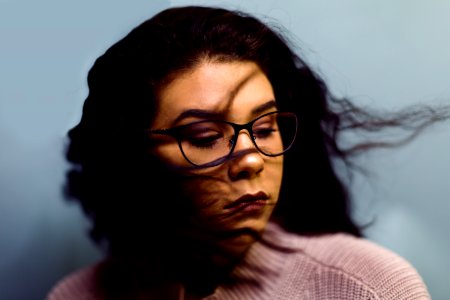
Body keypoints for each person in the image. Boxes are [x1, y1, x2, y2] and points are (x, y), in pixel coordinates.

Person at [47, 5, 447, 299]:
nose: (252, 160)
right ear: (133, 158)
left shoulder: (368, 287)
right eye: (204, 136)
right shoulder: (75, 295)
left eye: (264, 128)